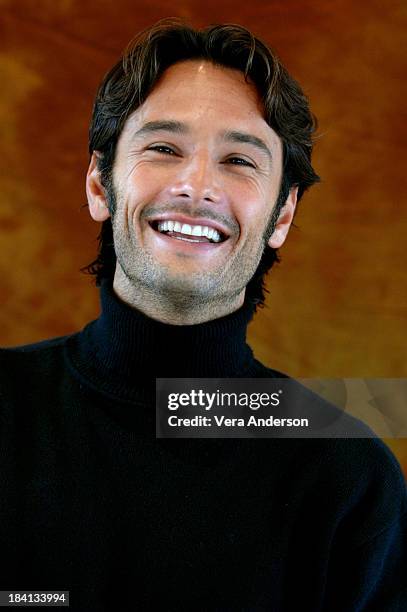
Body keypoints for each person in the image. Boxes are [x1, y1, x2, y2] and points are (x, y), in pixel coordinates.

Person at [0, 19, 406, 611]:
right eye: (164, 148)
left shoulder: (346, 478)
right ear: (98, 182)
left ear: (283, 216)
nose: (196, 186)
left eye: (240, 161)